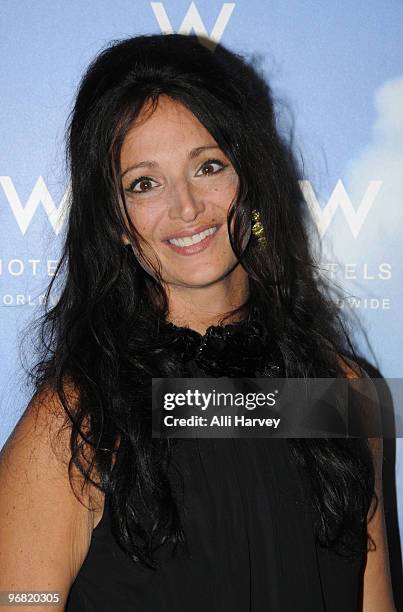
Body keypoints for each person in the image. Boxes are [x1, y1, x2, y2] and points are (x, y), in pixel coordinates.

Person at [0, 33, 396, 611]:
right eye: (144, 183)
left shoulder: (343, 392)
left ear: (251, 182)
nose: (186, 208)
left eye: (208, 166)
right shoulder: (75, 421)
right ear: (115, 220)